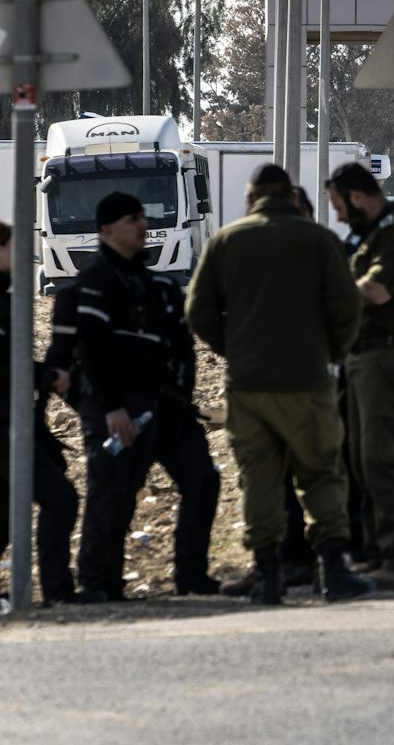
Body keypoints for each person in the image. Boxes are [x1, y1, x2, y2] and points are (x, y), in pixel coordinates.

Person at [187, 164, 371, 604]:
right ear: (291, 197)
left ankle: (268, 576)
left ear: (251, 199)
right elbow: (348, 307)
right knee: (321, 474)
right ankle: (333, 571)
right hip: (307, 380)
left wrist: (233, 347)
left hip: (248, 384)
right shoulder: (319, 240)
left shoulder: (225, 242)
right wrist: (332, 351)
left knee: (259, 480)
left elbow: (197, 311)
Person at [49, 193, 220, 603]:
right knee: (113, 492)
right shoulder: (93, 283)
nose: (143, 225)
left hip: (166, 408)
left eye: (143, 217)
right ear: (107, 230)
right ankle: (99, 583)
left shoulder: (157, 286)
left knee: (202, 478)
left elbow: (183, 348)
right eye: (133, 219)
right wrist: (108, 408)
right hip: (115, 408)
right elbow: (87, 350)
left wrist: (181, 397)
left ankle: (191, 577)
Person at [328, 162, 394, 591]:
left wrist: (326, 291)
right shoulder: (368, 234)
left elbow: (376, 289)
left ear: (357, 197)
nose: (338, 217)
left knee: (384, 458)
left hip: (388, 359)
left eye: (339, 207)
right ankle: (375, 555)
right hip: (361, 358)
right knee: (360, 460)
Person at [0, 221, 78, 608]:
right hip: (6, 428)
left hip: (15, 421)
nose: (20, 257)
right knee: (60, 498)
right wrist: (43, 375)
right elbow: (4, 364)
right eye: (13, 248)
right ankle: (57, 593)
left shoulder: (6, 298)